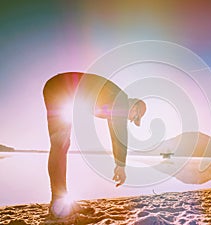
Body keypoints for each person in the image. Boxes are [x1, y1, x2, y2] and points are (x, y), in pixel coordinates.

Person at [43, 72, 146, 219]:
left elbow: (114, 132)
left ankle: (59, 201)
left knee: (61, 144)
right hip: (61, 89)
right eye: (135, 117)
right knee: (60, 144)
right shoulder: (121, 100)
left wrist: (119, 161)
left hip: (61, 91)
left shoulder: (114, 103)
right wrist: (121, 165)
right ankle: (58, 204)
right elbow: (119, 133)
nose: (131, 120)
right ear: (134, 107)